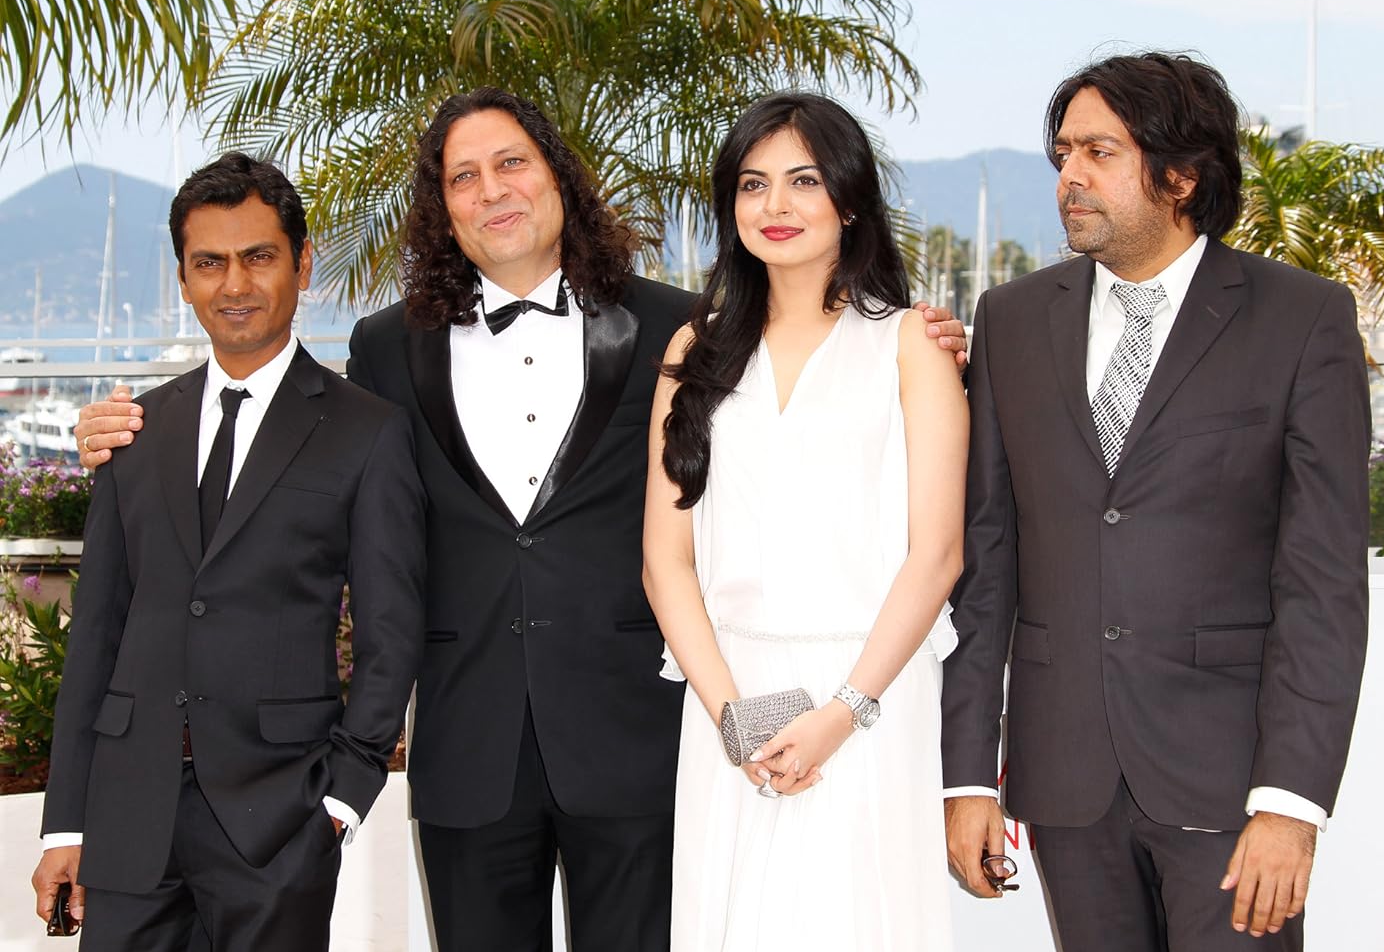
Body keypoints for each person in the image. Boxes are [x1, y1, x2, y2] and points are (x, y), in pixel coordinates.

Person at [73, 88, 970, 951]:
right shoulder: (385, 346)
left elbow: (798, 396)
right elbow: (302, 466)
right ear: (442, 207)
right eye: (463, 176)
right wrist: (127, 432)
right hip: (467, 745)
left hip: (640, 739)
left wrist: (927, 344)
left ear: (558, 176)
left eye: (512, 163)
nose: (491, 190)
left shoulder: (677, 327)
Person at [941, 51, 1371, 951]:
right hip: (1066, 777)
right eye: (1063, 153)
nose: (1069, 176)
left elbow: (1323, 581)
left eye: (1099, 152)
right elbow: (987, 563)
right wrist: (969, 776)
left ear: (1181, 175)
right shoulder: (1010, 319)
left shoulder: (1301, 318)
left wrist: (1291, 802)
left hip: (1232, 783)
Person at [31, 153, 426, 952]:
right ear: (183, 278)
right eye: (209, 262)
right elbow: (97, 633)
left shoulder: (366, 431)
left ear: (301, 264)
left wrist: (341, 800)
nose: (234, 284)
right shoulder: (135, 432)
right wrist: (64, 822)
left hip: (281, 823)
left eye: (258, 256)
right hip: (128, 819)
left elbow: (392, 633)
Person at [642, 91, 967, 951]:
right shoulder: (694, 349)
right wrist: (734, 719)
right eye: (752, 185)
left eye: (804, 181)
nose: (775, 205)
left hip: (871, 693)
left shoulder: (911, 343)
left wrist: (842, 711)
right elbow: (665, 560)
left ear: (849, 201)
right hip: (729, 695)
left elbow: (936, 554)